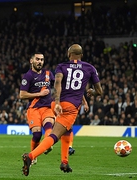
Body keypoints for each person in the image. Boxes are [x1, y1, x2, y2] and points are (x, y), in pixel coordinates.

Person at [21, 44, 103, 176]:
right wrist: (91, 92)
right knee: (55, 135)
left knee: (67, 129)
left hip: (55, 104)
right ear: (81, 55)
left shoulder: (62, 66)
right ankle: (30, 156)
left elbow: (57, 83)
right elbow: (99, 91)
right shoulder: (90, 68)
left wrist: (57, 102)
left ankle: (64, 161)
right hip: (70, 108)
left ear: (69, 54)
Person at [19, 52, 55, 165]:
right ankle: (34, 156)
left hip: (48, 107)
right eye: (37, 59)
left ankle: (47, 144)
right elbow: (22, 95)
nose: (40, 62)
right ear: (31, 61)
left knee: (49, 124)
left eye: (42, 60)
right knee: (37, 135)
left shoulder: (48, 73)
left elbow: (57, 85)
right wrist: (40, 94)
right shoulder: (28, 76)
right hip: (33, 108)